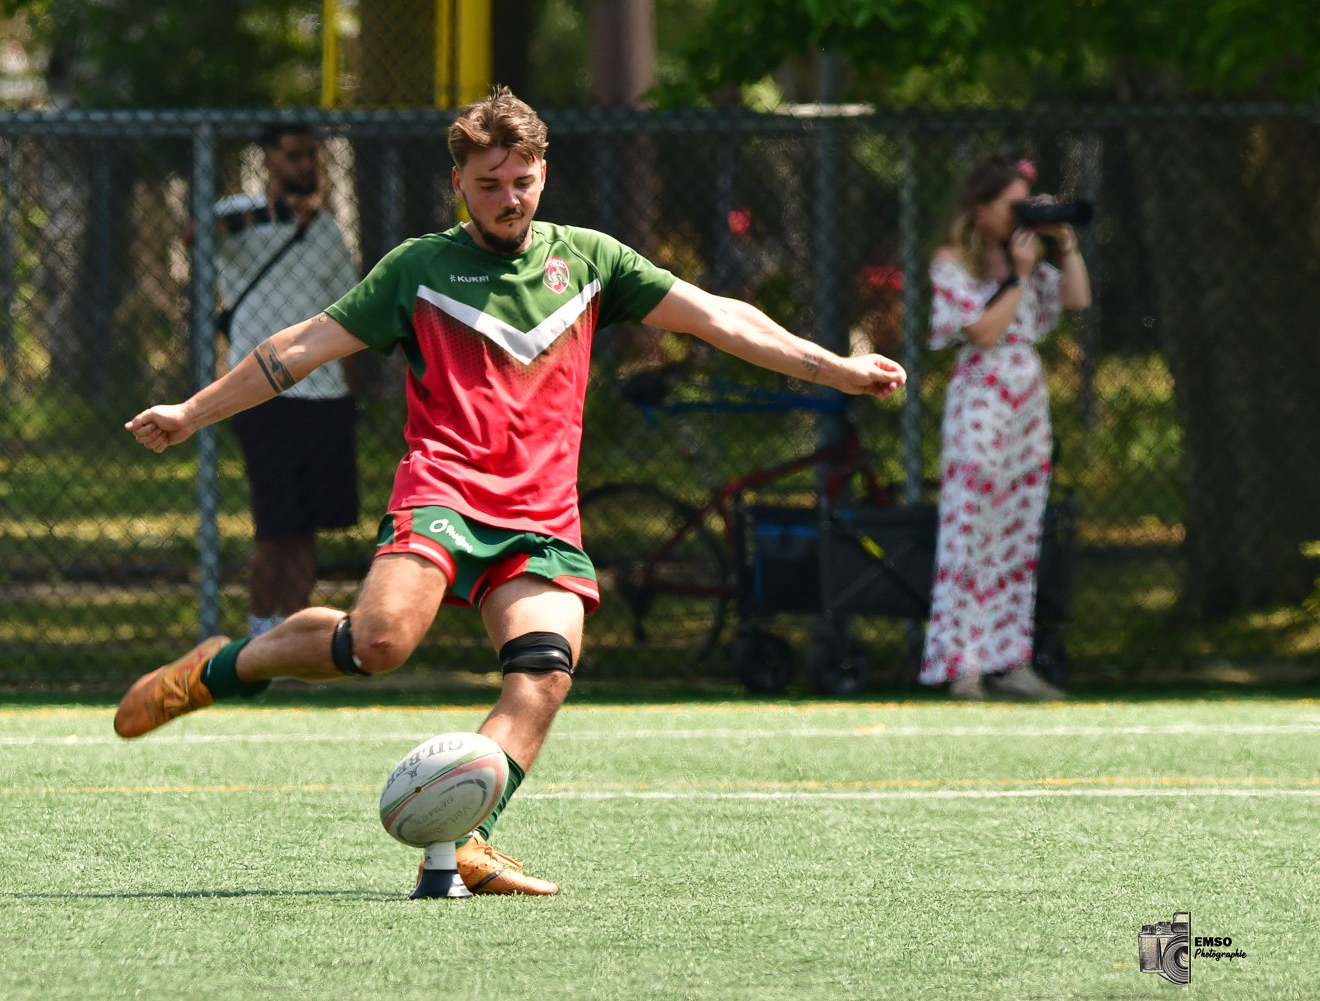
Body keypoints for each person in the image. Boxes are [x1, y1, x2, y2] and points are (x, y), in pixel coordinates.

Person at [120, 89, 905, 894]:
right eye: (489, 184)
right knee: (379, 645)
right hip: (445, 494)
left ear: (542, 173)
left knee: (544, 673)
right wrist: (191, 411)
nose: (509, 198)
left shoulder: (591, 261)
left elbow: (719, 318)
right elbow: (300, 347)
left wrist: (837, 367)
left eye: (522, 180)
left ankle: (471, 839)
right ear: (459, 181)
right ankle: (219, 668)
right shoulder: (420, 269)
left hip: (541, 519)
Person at [922, 155, 1091, 700]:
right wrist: (1017, 277)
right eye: (1010, 206)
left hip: (1026, 394)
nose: (1018, 217)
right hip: (981, 393)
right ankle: (961, 665)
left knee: (1019, 529)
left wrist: (1063, 244)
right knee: (970, 527)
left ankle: (1009, 659)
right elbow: (984, 333)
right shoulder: (953, 263)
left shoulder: (1030, 262)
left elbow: (1078, 298)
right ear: (981, 209)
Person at [215, 125, 362, 639]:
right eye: (295, 155)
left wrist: (352, 392)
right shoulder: (239, 214)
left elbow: (349, 310)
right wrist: (274, 214)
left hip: (325, 395)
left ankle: (290, 635)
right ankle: (258, 634)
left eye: (313, 157)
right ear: (270, 160)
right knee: (274, 525)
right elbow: (197, 235)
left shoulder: (325, 228)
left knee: (307, 527)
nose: (307, 166)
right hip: (263, 395)